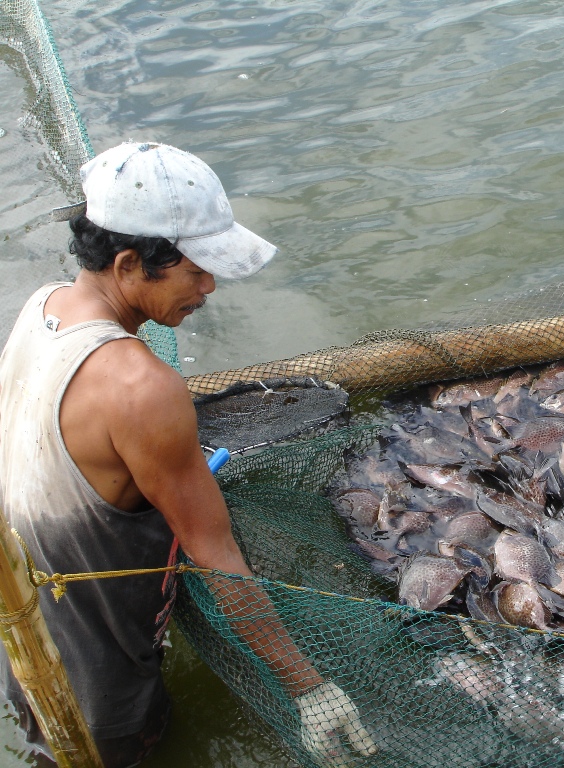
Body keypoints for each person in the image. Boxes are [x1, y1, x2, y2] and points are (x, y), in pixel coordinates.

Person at [0, 141, 376, 767]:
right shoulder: (140, 386)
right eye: (195, 269)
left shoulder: (42, 305)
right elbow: (216, 554)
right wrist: (311, 689)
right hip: (103, 691)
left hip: (28, 647)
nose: (209, 288)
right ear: (128, 264)